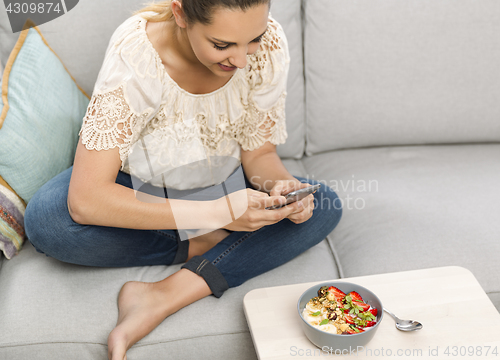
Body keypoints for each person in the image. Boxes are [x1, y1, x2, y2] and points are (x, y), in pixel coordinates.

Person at [24, 0, 342, 359]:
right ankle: (205, 240)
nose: (241, 60)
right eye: (222, 45)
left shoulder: (267, 48)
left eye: (254, 38)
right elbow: (86, 201)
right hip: (139, 188)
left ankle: (165, 294)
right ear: (180, 13)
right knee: (48, 222)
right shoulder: (137, 55)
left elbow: (259, 154)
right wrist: (217, 215)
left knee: (324, 203)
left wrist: (281, 187)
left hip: (223, 183)